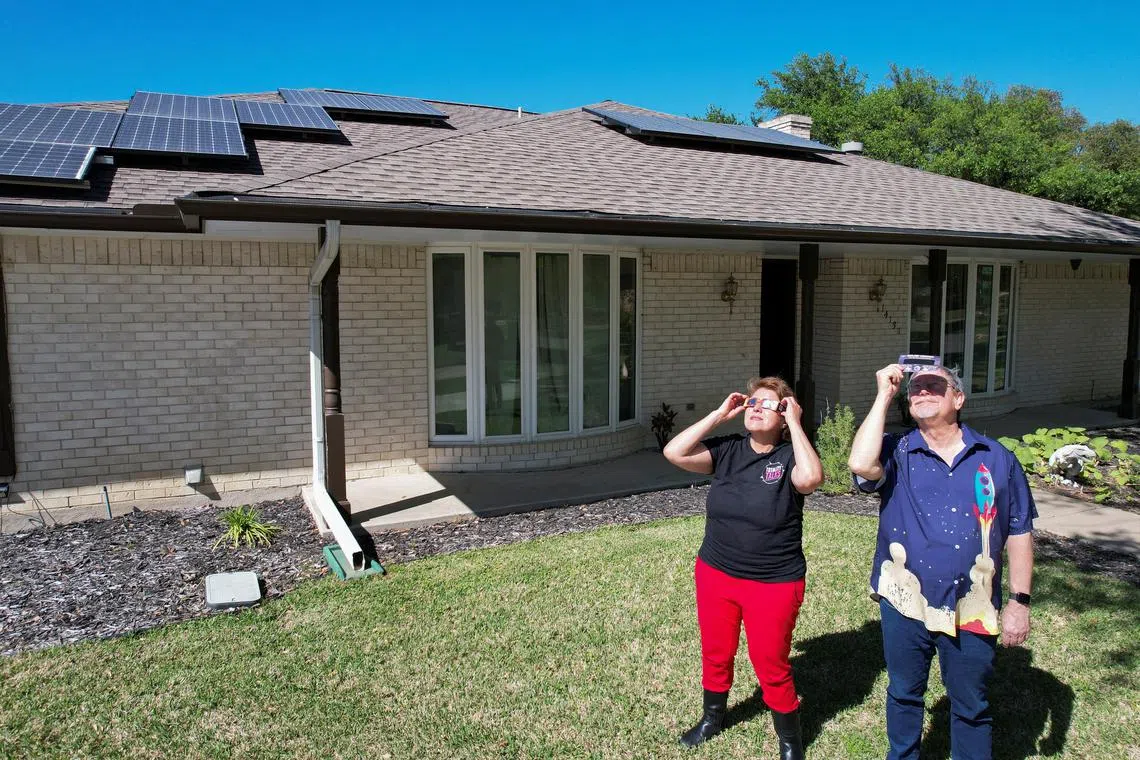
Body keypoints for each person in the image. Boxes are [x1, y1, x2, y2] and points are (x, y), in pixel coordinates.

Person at [848, 363, 1036, 760]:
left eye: (936, 386)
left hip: (974, 604)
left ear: (959, 399)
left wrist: (1020, 601)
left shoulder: (998, 459)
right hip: (905, 601)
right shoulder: (897, 450)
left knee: (970, 704)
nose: (923, 393)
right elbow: (861, 467)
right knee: (904, 693)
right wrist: (884, 393)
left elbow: (1019, 531)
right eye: (916, 389)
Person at [664, 376, 823, 759]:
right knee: (716, 652)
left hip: (773, 582)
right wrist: (719, 415)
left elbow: (811, 479)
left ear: (784, 415)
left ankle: (790, 741)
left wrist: (797, 425)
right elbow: (674, 452)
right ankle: (711, 719)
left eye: (768, 404)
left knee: (770, 663)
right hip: (716, 572)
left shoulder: (790, 457)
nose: (755, 407)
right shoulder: (729, 450)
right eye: (752, 402)